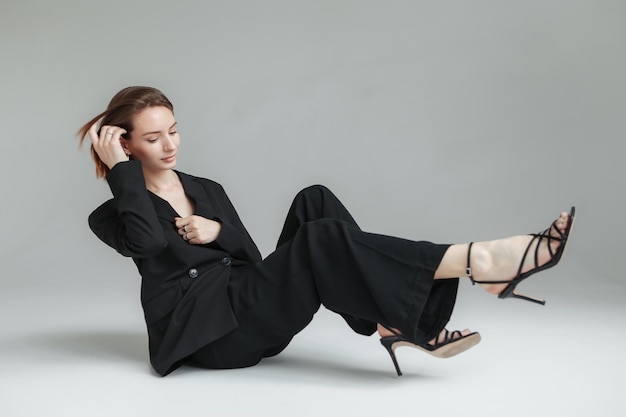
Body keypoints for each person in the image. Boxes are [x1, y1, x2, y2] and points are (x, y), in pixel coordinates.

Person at [77, 86, 575, 377]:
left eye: (174, 129)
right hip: (212, 338)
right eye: (152, 137)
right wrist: (122, 174)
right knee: (319, 242)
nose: (170, 145)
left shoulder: (205, 188)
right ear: (124, 144)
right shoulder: (115, 212)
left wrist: (217, 231)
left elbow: (251, 258)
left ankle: (389, 324)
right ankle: (478, 262)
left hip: (247, 303)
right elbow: (147, 242)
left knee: (315, 201)